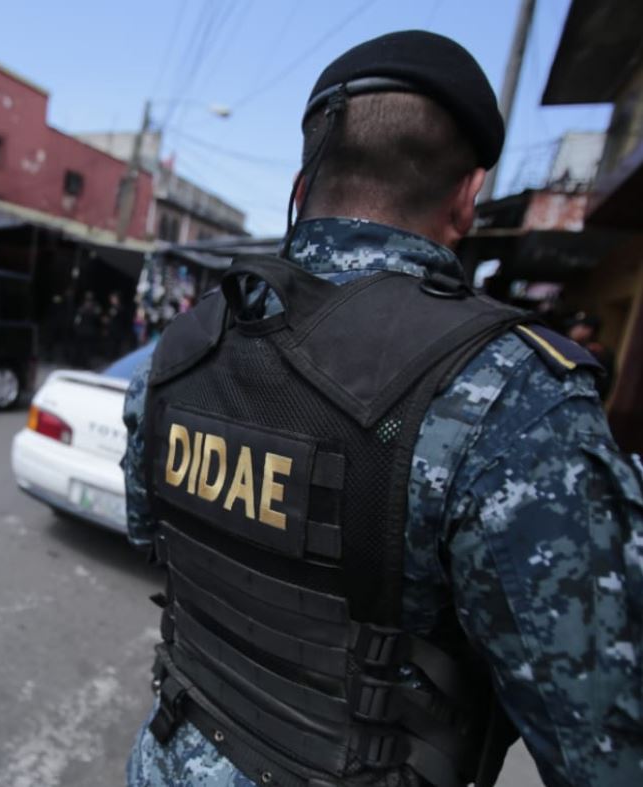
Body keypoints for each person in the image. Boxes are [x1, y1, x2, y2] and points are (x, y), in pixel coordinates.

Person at [123, 31, 643, 787]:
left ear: (302, 184)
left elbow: (151, 534)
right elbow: (605, 746)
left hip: (168, 753)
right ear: (468, 196)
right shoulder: (512, 396)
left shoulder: (183, 347)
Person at [566, 311, 617, 399]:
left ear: (589, 330)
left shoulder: (600, 354)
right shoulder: (568, 345)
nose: (572, 329)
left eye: (577, 326)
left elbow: (602, 387)